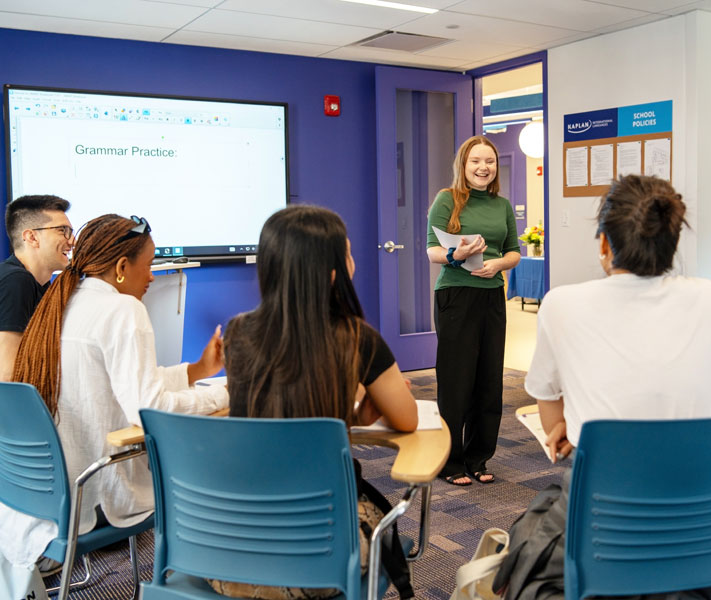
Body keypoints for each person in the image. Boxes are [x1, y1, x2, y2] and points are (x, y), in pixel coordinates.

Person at [493, 175, 711, 599]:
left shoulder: (562, 303)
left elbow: (549, 408)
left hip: (606, 513)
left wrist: (571, 424)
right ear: (672, 244)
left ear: (604, 244)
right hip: (702, 517)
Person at [0, 214, 228, 570]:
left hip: (40, 504)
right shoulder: (124, 309)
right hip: (95, 498)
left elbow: (119, 385)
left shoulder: (62, 303)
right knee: (212, 473)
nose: (152, 275)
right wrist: (228, 393)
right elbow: (150, 407)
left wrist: (197, 372)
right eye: (149, 265)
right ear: (122, 266)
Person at [214, 205, 417, 599]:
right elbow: (407, 420)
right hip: (318, 557)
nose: (354, 261)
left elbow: (280, 417)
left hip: (226, 551)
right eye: (349, 252)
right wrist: (360, 412)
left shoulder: (238, 333)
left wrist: (353, 414)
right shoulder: (357, 338)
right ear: (332, 272)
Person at [426, 135, 520, 486]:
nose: (484, 167)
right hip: (455, 295)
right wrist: (457, 255)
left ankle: (478, 458)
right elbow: (432, 249)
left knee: (488, 379)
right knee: (456, 380)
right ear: (463, 166)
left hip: (491, 295)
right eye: (476, 162)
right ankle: (450, 462)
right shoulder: (446, 200)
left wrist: (497, 265)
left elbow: (514, 252)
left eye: (490, 162)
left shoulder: (502, 205)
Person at [0, 195, 73, 380]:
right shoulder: (17, 281)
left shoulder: (40, 285)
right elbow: (6, 375)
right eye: (62, 231)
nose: (71, 241)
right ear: (31, 237)